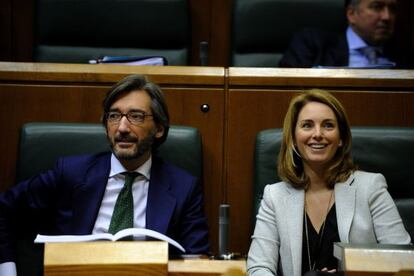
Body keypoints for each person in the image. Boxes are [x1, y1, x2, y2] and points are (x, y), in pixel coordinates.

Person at [0, 74, 210, 275]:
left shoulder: (184, 188)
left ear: (159, 128)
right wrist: (7, 271)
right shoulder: (71, 172)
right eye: (114, 116)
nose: (122, 127)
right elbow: (4, 209)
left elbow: (197, 260)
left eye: (136, 116)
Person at [247, 89, 410, 276]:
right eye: (307, 125)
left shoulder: (370, 188)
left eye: (328, 125)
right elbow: (258, 268)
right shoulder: (275, 196)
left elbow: (403, 264)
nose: (317, 134)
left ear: (341, 138)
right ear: (293, 138)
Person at [279, 0, 414, 69]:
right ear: (351, 14)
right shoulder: (311, 44)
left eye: (393, 9)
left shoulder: (405, 55)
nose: (387, 17)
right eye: (377, 7)